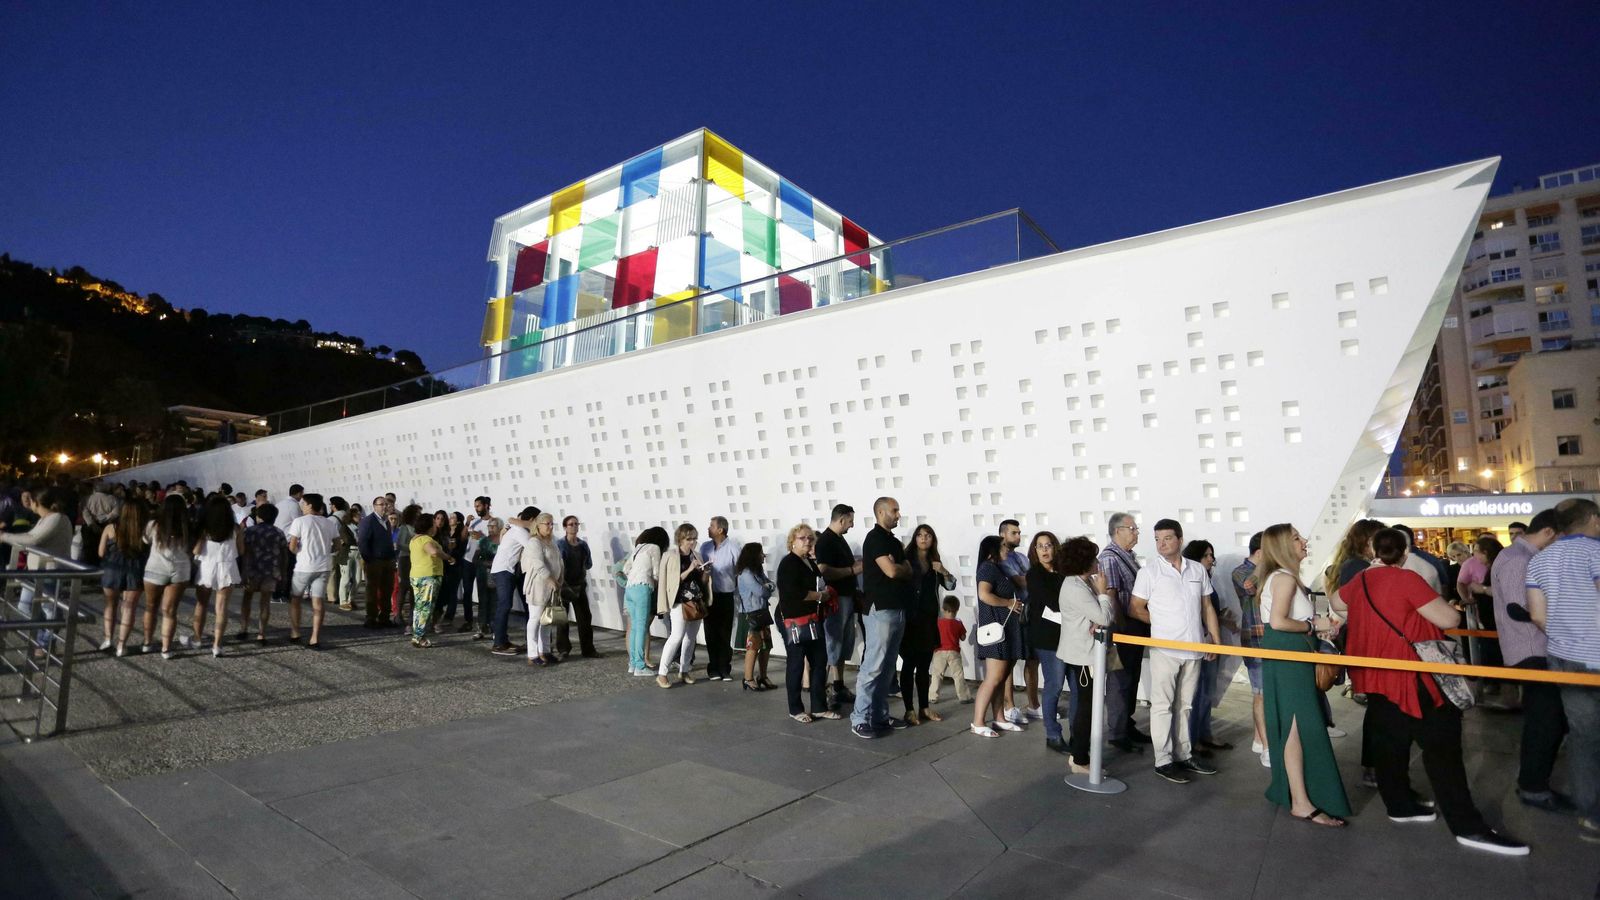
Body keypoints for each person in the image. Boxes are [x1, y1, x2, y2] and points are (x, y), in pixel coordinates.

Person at [1343, 527, 1528, 855]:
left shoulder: (1360, 581)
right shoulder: (1406, 579)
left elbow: (1336, 602)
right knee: (1443, 747)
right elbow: (1445, 618)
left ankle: (1399, 805)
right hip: (1412, 674)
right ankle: (1467, 826)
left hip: (1376, 675)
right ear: (1404, 553)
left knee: (1390, 743)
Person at [1257, 523, 1350, 827]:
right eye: (1296, 538)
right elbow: (1279, 622)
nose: (1304, 541)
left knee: (1295, 725)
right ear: (1283, 546)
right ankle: (1300, 801)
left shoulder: (1281, 578)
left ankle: (1299, 797)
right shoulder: (1284, 579)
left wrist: (1314, 624)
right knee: (1298, 725)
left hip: (1289, 653)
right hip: (1289, 654)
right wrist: (1313, 626)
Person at [1526, 498, 1600, 844]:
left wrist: (1564, 637)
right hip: (1596, 656)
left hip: (1562, 657)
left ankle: (1590, 814)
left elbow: (1538, 615)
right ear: (1594, 521)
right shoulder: (1595, 553)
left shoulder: (1540, 560)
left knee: (1584, 736)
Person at [1129, 518, 1220, 784]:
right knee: (1163, 705)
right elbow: (1136, 607)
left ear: (1180, 540)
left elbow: (1207, 607)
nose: (1161, 544)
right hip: (1165, 649)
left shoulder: (1197, 570)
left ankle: (1184, 754)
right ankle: (1163, 759)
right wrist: (1161, 625)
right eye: (1157, 539)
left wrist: (1213, 639)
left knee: (1186, 705)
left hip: (1194, 648)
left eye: (1167, 538)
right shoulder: (1149, 572)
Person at [1490, 508, 1568, 811]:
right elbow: (1516, 608)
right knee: (1545, 720)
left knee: (1547, 719)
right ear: (1549, 532)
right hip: (1530, 649)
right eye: (1560, 537)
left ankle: (1534, 783)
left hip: (1531, 648)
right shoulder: (1518, 559)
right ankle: (1533, 786)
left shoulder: (1518, 556)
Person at [853, 497, 911, 738]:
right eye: (895, 510)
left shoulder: (893, 542)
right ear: (880, 512)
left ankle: (879, 715)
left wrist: (903, 568)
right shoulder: (875, 539)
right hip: (880, 610)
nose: (898, 515)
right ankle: (860, 717)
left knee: (887, 668)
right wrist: (902, 568)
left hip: (896, 608)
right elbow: (892, 570)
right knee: (873, 666)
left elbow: (906, 567)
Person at [1057, 536, 1113, 773]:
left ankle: (1080, 755)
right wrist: (1103, 593)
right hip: (1084, 656)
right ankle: (1080, 759)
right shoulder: (1076, 587)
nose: (1097, 561)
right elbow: (1105, 617)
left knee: (1087, 707)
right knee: (1086, 708)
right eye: (1093, 557)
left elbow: (1095, 618)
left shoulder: (1078, 583)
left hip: (1085, 653)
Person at [775, 524, 840, 721]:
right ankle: (795, 709)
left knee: (819, 661)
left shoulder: (809, 563)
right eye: (802, 538)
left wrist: (826, 594)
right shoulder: (788, 563)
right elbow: (794, 593)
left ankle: (819, 706)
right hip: (794, 620)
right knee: (795, 663)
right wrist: (821, 595)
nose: (807, 542)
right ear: (792, 542)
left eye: (810, 538)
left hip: (813, 619)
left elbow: (818, 582)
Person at [1099, 512, 1151, 753]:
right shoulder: (1110, 557)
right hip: (1120, 630)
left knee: (1132, 677)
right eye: (1132, 528)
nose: (1136, 532)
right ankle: (1118, 732)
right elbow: (1110, 595)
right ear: (1118, 530)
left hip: (1134, 628)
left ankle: (1127, 724)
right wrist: (1119, 630)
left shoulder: (1128, 556)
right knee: (1119, 680)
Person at [1, 487, 74, 654]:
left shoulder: (57, 518)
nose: (27, 502)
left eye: (29, 499)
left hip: (49, 571)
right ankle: (44, 639)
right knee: (25, 606)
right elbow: (29, 538)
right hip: (36, 571)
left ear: (36, 502)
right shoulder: (45, 518)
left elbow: (33, 539)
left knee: (50, 610)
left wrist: (4, 537)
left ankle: (45, 642)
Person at [971, 535, 1026, 738]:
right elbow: (984, 594)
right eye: (1003, 546)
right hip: (995, 629)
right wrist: (1008, 603)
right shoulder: (987, 568)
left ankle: (999, 717)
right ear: (992, 550)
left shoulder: (1000, 569)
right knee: (993, 678)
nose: (1007, 549)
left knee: (1001, 677)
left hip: (1007, 628)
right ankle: (977, 722)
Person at [1183, 539, 1233, 754]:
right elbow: (1195, 612)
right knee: (1200, 692)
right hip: (1202, 642)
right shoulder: (1192, 580)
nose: (1211, 560)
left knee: (1206, 691)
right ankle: (1194, 740)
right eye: (1206, 555)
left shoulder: (1206, 579)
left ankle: (1203, 734)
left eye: (1212, 555)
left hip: (1211, 639)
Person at [902, 524, 954, 725]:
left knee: (924, 666)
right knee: (909, 664)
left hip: (928, 618)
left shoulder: (935, 562)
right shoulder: (906, 560)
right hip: (910, 619)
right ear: (915, 539)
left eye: (928, 535)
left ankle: (924, 707)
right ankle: (909, 710)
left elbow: (950, 585)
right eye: (920, 535)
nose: (924, 539)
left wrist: (944, 570)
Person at [815, 504, 863, 710]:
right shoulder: (826, 541)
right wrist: (853, 570)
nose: (851, 526)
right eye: (850, 521)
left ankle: (838, 685)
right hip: (836, 598)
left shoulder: (838, 539)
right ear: (841, 519)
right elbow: (824, 570)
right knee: (832, 642)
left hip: (846, 596)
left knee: (842, 642)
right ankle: (822, 689)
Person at [1026, 532, 1069, 752]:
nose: (1044, 550)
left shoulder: (1063, 572)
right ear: (1034, 550)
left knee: (1077, 689)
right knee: (1054, 685)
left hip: (1071, 635)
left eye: (1049, 545)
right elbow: (1052, 602)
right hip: (1048, 638)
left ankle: (1078, 735)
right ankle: (1052, 734)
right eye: (1040, 546)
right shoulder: (1034, 574)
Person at [286, 493, 341, 649]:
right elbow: (337, 545)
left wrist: (299, 552)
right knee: (318, 602)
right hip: (323, 566)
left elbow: (292, 545)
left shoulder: (299, 522)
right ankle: (314, 637)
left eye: (303, 504)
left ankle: (295, 632)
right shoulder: (329, 523)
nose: (302, 506)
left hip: (304, 567)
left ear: (310, 505)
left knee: (295, 599)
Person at [656, 523, 708, 687]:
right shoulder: (671, 555)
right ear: (680, 539)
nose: (692, 542)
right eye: (688, 539)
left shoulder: (697, 555)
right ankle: (662, 673)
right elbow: (671, 581)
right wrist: (690, 568)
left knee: (690, 638)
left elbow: (702, 581)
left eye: (694, 538)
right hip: (679, 601)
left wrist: (705, 571)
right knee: (676, 636)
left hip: (696, 600)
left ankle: (684, 670)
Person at [192, 494, 243, 658]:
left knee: (201, 605)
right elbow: (241, 551)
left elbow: (196, 551)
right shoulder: (235, 529)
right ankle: (217, 645)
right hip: (227, 568)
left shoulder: (205, 528)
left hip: (207, 568)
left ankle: (198, 639)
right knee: (221, 609)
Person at [999, 519, 1041, 721]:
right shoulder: (1001, 560)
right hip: (1012, 615)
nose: (1018, 536)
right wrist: (1031, 578)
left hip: (1030, 612)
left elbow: (1031, 579)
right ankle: (1009, 706)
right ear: (1003, 535)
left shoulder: (1022, 557)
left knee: (1033, 660)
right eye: (1014, 533)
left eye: (1019, 532)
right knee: (1010, 660)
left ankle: (1034, 705)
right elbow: (1023, 581)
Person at [142, 494, 192, 659]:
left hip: (155, 568)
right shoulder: (188, 526)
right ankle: (166, 649)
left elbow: (145, 540)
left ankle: (147, 643)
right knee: (170, 611)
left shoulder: (154, 525)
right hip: (180, 570)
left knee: (151, 607)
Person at [487, 506, 538, 657]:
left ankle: (503, 641)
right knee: (504, 606)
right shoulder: (520, 531)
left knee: (504, 606)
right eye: (538, 520)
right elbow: (533, 547)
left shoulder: (514, 528)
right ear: (531, 520)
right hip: (504, 571)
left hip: (504, 570)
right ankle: (499, 644)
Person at [103, 499, 148, 656]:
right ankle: (122, 645)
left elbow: (101, 552)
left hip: (112, 569)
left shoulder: (111, 527)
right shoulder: (143, 530)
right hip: (135, 571)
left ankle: (108, 639)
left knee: (111, 605)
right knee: (129, 608)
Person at [237, 504, 285, 644]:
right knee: (265, 602)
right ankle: (261, 634)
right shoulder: (279, 532)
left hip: (252, 570)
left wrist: (243, 572)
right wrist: (283, 572)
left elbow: (243, 553)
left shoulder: (249, 531)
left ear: (258, 516)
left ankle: (243, 629)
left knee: (247, 599)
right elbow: (283, 554)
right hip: (271, 571)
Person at [624, 527, 668, 675]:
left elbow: (625, 569)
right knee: (642, 628)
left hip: (629, 588)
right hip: (643, 588)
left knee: (635, 628)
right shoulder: (654, 548)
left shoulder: (638, 548)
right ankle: (640, 667)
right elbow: (657, 572)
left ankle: (633, 663)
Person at [521, 512, 563, 666]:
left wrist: (560, 580)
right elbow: (538, 564)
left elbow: (559, 562)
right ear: (538, 526)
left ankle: (544, 651)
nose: (550, 527)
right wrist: (550, 579)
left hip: (552, 587)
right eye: (547, 524)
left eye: (552, 523)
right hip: (539, 586)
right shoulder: (534, 542)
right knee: (535, 619)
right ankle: (532, 654)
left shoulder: (552, 542)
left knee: (547, 620)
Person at [407, 512, 452, 648]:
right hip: (428, 577)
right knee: (426, 607)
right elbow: (434, 552)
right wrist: (448, 557)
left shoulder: (414, 539)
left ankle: (417, 634)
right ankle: (419, 637)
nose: (435, 527)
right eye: (433, 524)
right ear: (428, 526)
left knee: (419, 607)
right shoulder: (426, 539)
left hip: (416, 575)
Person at [736, 541, 776, 691]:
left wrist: (767, 587)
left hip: (762, 613)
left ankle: (763, 676)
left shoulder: (757, 571)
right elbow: (762, 592)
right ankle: (748, 678)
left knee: (766, 647)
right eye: (761, 553)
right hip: (751, 614)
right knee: (753, 647)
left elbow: (770, 584)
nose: (763, 555)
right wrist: (767, 587)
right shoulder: (746, 573)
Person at [557, 515, 598, 658]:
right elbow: (558, 565)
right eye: (570, 524)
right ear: (565, 527)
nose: (574, 526)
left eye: (576, 524)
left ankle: (588, 649)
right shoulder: (560, 544)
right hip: (564, 586)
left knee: (585, 618)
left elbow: (589, 563)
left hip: (579, 585)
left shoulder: (582, 544)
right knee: (562, 619)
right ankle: (563, 649)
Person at [357, 496, 396, 628]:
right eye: (381, 504)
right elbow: (362, 542)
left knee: (387, 590)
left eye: (386, 504)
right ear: (374, 506)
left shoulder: (387, 522)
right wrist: (369, 559)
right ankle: (371, 617)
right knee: (372, 590)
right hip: (374, 561)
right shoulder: (368, 521)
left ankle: (384, 617)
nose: (385, 507)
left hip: (388, 561)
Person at [464, 496, 500, 639]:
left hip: (488, 564)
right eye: (475, 506)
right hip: (472, 560)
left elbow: (496, 543)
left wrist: (481, 537)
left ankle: (492, 626)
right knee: (480, 596)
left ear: (486, 506)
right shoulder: (474, 521)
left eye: (478, 506)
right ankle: (480, 626)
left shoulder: (494, 522)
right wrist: (467, 524)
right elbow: (464, 538)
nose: (476, 509)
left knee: (492, 596)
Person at [928, 597, 971, 703]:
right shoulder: (958, 622)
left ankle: (933, 696)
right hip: (954, 652)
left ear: (943, 609)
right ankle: (964, 697)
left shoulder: (938, 622)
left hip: (939, 652)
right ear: (957, 610)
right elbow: (963, 637)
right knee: (958, 675)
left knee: (937, 674)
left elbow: (932, 636)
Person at [271, 484, 304, 605]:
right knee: (289, 569)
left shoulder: (279, 504)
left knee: (279, 569)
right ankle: (284, 594)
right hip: (289, 542)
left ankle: (275, 594)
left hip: (277, 541)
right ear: (299, 493)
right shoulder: (294, 505)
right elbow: (299, 523)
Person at [80, 481, 122, 567]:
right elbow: (116, 513)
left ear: (95, 489)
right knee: (103, 548)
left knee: (88, 550)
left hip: (89, 528)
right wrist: (105, 519)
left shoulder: (87, 498)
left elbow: (85, 512)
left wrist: (92, 524)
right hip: (106, 526)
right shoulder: (113, 499)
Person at [326, 496, 356, 611]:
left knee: (333, 573)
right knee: (344, 575)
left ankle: (333, 596)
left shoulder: (331, 519)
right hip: (347, 549)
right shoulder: (348, 516)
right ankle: (345, 597)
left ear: (333, 506)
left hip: (333, 548)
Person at [393, 505, 421, 627]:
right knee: (404, 586)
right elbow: (399, 544)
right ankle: (398, 614)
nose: (419, 515)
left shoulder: (418, 527)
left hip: (416, 560)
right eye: (417, 513)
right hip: (405, 559)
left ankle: (412, 616)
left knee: (413, 588)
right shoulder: (404, 527)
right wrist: (413, 547)